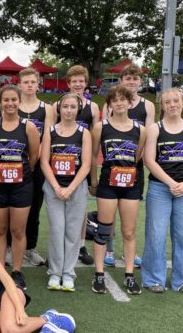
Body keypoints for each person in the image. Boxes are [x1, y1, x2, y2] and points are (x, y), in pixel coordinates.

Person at [142, 88, 183, 294]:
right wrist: (170, 183)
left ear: (182, 102)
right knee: (156, 235)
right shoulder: (155, 129)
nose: (172, 105)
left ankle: (181, 280)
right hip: (160, 188)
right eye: (167, 102)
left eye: (175, 101)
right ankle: (153, 278)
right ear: (162, 106)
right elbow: (149, 160)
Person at [0, 85, 40, 290]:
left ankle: (16, 271)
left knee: (17, 230)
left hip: (21, 186)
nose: (10, 104)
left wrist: (20, 172)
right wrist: (0, 172)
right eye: (6, 100)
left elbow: (33, 157)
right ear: (0, 102)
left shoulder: (28, 127)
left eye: (13, 100)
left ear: (19, 101)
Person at [89, 85, 146, 295]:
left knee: (129, 231)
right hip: (107, 185)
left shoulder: (141, 130)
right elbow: (94, 156)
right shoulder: (100, 127)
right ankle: (99, 274)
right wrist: (93, 183)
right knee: (104, 229)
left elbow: (137, 157)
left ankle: (129, 275)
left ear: (130, 102)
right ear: (110, 104)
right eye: (115, 100)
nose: (120, 103)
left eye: (123, 99)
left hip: (131, 185)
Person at [101, 64, 154, 267]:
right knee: (109, 212)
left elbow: (147, 137)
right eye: (127, 78)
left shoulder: (147, 106)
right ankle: (109, 249)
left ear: (140, 82)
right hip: (113, 163)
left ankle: (129, 252)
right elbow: (107, 132)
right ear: (121, 81)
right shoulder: (111, 104)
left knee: (130, 214)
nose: (131, 82)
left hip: (134, 164)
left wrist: (135, 160)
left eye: (135, 78)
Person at [41, 93, 91, 292]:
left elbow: (86, 164)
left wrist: (70, 188)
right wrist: (56, 188)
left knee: (72, 232)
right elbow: (44, 161)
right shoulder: (50, 131)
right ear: (59, 109)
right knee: (57, 230)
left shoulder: (84, 133)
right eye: (65, 107)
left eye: (72, 107)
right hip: (54, 188)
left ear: (77, 109)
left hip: (76, 189)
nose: (69, 110)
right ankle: (54, 272)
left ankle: (68, 273)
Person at [54, 65, 100, 266]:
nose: (78, 84)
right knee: (58, 211)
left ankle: (80, 245)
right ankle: (58, 248)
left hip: (83, 163)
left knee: (80, 209)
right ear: (68, 83)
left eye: (81, 81)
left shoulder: (94, 107)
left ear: (86, 82)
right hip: (61, 162)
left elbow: (96, 138)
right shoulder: (59, 104)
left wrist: (93, 171)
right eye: (74, 81)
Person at [15, 67, 54, 266]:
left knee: (34, 206)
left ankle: (30, 247)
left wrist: (38, 159)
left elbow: (47, 136)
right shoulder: (14, 105)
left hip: (37, 164)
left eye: (33, 82)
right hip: (14, 162)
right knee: (12, 208)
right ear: (20, 84)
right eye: (26, 82)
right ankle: (9, 247)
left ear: (38, 84)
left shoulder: (46, 109)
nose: (30, 85)